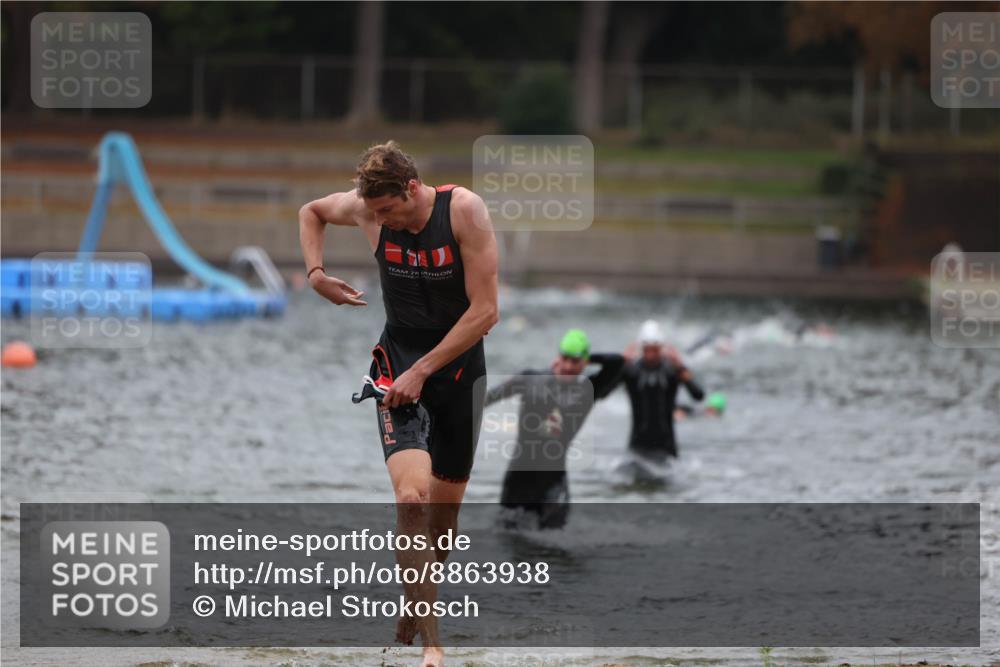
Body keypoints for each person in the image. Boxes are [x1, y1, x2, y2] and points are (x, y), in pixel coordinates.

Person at [298, 141, 498, 667]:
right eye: (374, 213)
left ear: (411, 189)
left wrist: (423, 371)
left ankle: (417, 606)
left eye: (388, 211)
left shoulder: (463, 211)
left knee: (442, 523)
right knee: (411, 500)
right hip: (396, 360)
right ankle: (434, 647)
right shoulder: (370, 209)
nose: (382, 221)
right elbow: (311, 212)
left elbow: (485, 313)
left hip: (456, 369)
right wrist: (316, 275)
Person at [485, 329, 624, 529]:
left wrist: (589, 357)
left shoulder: (589, 389)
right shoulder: (531, 379)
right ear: (558, 357)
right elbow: (486, 399)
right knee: (507, 539)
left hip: (552, 482)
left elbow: (617, 362)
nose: (568, 366)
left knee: (554, 545)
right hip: (518, 479)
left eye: (575, 361)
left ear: (584, 363)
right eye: (565, 358)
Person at [619, 320, 704, 461]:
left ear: (662, 348)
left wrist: (681, 367)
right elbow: (604, 392)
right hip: (637, 447)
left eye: (655, 350)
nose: (651, 355)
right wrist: (619, 365)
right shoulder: (631, 370)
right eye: (647, 350)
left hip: (667, 447)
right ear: (641, 348)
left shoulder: (672, 370)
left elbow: (698, 395)